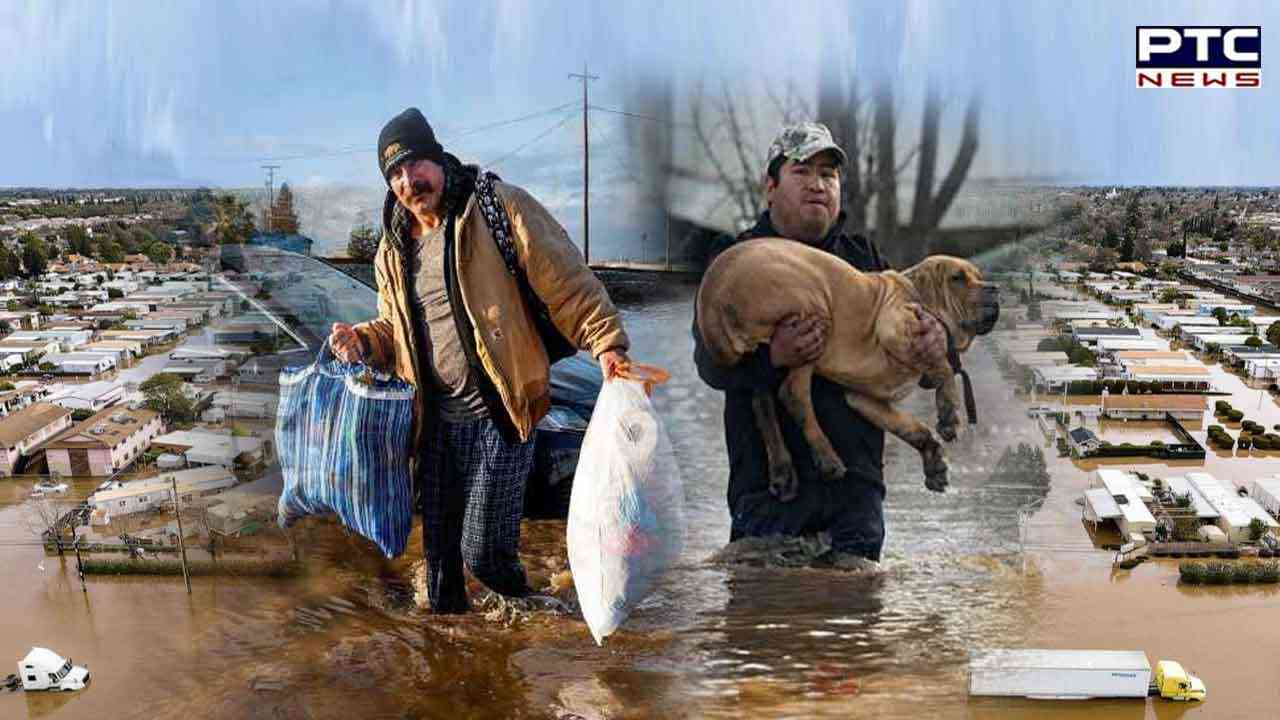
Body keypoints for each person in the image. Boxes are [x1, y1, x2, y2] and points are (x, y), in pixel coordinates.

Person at [330, 107, 630, 613]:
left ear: (437, 157)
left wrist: (609, 346)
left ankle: (540, 614)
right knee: (442, 570)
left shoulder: (497, 208)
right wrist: (363, 341)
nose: (409, 181)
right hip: (435, 425)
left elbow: (569, 284)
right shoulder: (393, 249)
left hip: (502, 411)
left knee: (484, 551)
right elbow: (394, 331)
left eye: (415, 164)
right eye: (396, 174)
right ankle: (449, 671)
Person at [692, 121, 947, 566]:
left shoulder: (866, 261)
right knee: (765, 626)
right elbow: (710, 364)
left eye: (828, 174)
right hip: (769, 494)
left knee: (853, 626)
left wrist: (935, 348)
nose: (818, 185)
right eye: (802, 171)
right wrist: (773, 357)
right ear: (769, 186)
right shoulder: (736, 257)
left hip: (856, 493)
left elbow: (915, 362)